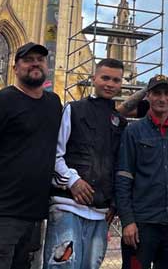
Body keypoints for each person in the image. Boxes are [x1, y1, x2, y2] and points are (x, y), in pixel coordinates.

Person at [0, 42, 62, 269]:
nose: (35, 63)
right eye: (28, 60)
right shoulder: (1, 101)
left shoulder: (53, 104)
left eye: (40, 59)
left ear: (47, 66)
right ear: (15, 68)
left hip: (34, 215)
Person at [44, 58, 128, 269]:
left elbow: (120, 165)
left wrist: (114, 202)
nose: (110, 84)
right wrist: (73, 181)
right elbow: (54, 153)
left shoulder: (120, 122)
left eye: (116, 80)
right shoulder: (74, 109)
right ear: (94, 79)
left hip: (100, 213)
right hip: (67, 207)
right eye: (105, 78)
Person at [116, 74, 168, 269]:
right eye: (157, 93)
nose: (162, 99)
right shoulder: (134, 131)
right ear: (148, 96)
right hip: (142, 223)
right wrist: (128, 221)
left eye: (167, 93)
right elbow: (124, 177)